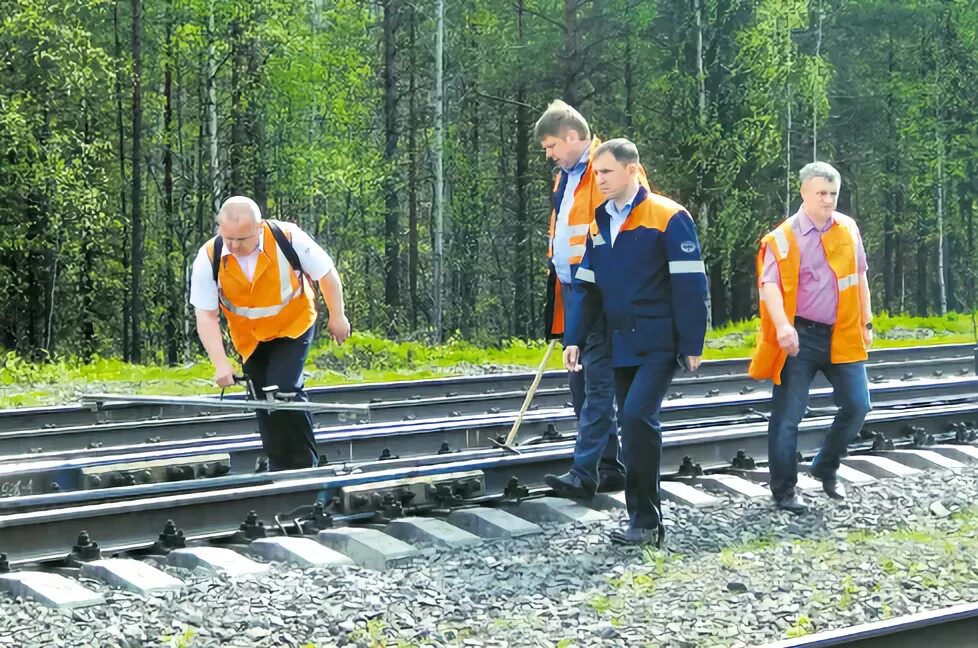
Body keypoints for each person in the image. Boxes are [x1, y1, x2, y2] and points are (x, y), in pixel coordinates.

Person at [563, 139, 708, 546]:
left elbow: (690, 282)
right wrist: (574, 336)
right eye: (596, 173)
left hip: (659, 340)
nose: (600, 180)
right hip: (618, 342)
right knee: (631, 424)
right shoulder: (599, 222)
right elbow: (586, 287)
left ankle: (645, 521)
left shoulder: (668, 216)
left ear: (631, 170)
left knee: (636, 419)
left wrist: (692, 340)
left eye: (606, 172)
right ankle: (643, 520)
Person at [536, 100, 649, 499]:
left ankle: (585, 474)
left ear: (570, 137)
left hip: (603, 294)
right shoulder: (565, 177)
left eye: (551, 145)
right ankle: (607, 467)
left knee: (596, 385)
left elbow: (634, 227)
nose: (549, 154)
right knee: (581, 386)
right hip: (575, 293)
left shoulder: (608, 167)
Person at [189, 196, 351, 471]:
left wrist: (338, 316)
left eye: (241, 239)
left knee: (284, 388)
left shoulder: (287, 237)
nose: (234, 246)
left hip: (293, 325)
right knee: (262, 399)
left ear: (259, 227)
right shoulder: (209, 257)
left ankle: (304, 465)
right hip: (249, 338)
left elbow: (326, 274)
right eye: (228, 237)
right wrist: (220, 363)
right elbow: (205, 314)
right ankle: (279, 466)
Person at [747, 162, 873, 513]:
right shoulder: (783, 236)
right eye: (821, 193)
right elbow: (768, 283)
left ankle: (825, 465)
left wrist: (868, 320)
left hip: (843, 333)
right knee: (788, 415)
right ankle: (785, 490)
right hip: (800, 336)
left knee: (858, 405)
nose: (828, 200)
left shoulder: (848, 228)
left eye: (833, 193)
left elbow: (859, 276)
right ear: (803, 192)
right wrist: (783, 327)